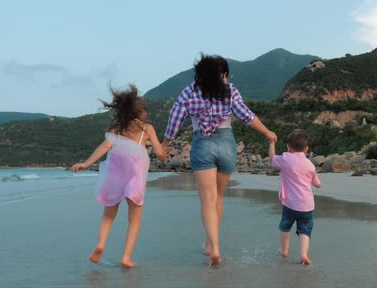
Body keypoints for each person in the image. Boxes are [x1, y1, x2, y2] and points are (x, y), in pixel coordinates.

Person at [162, 54, 277, 265]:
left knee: (207, 198)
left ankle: (214, 247)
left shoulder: (190, 91)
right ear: (223, 74)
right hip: (226, 145)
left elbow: (175, 117)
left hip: (202, 144)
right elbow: (246, 115)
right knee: (218, 198)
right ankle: (210, 243)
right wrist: (267, 132)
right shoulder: (230, 90)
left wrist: (166, 144)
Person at [71, 84, 167, 268]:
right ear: (140, 113)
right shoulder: (147, 129)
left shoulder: (117, 129)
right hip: (135, 176)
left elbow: (105, 147)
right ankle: (126, 257)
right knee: (134, 218)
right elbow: (160, 154)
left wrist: (86, 163)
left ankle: (100, 244)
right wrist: (164, 152)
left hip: (114, 173)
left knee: (108, 215)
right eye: (144, 110)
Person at [268, 129, 322, 265]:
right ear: (306, 149)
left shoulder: (285, 159)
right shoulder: (309, 165)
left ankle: (284, 250)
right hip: (307, 205)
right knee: (305, 230)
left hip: (290, 204)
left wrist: (272, 144)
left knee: (285, 226)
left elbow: (272, 160)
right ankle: (303, 254)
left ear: (288, 147)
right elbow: (317, 183)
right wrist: (317, 183)